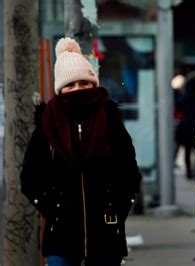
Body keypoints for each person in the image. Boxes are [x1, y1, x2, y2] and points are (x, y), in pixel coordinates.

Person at [20, 37, 142, 266]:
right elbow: (30, 179)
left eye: (83, 83)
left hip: (106, 234)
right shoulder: (47, 125)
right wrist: (54, 208)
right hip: (61, 236)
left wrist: (116, 209)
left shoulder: (109, 120)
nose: (78, 90)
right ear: (60, 89)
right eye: (70, 85)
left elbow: (129, 173)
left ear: (93, 84)